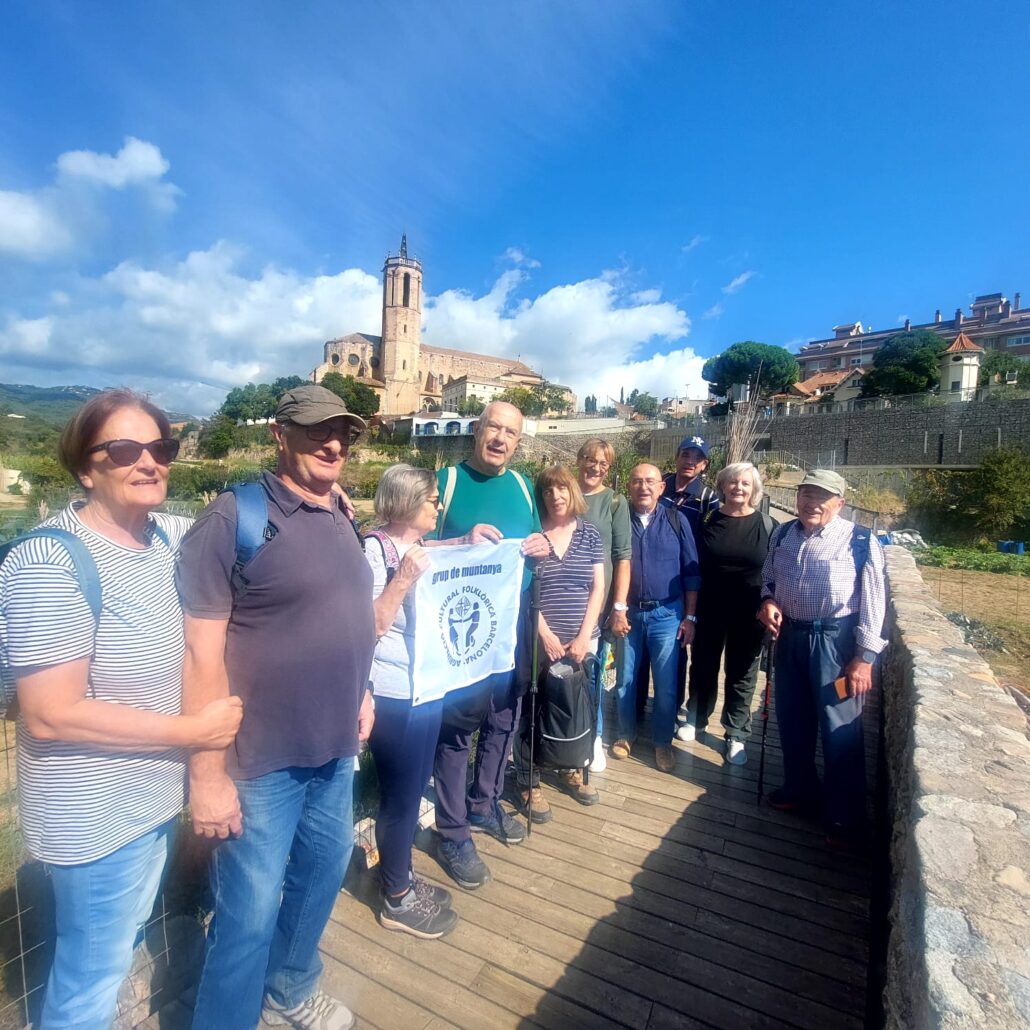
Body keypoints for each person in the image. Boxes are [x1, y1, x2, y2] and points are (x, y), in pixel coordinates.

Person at [0, 389, 243, 1028]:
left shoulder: (167, 539)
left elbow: (254, 537)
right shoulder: (49, 558)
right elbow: (50, 712)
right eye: (125, 450)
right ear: (86, 467)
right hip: (94, 814)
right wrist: (196, 731)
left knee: (115, 947)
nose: (149, 462)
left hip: (151, 800)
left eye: (160, 448)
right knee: (89, 976)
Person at [177, 384, 375, 1030]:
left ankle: (289, 989)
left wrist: (363, 690)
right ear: (279, 435)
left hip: (334, 751)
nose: (333, 442)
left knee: (319, 883)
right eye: (317, 430)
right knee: (247, 918)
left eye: (342, 431)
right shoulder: (233, 520)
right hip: (259, 764)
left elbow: (346, 618)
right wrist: (205, 777)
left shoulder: (342, 513)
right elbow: (200, 656)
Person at [432, 401, 549, 889]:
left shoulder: (522, 485)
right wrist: (461, 542)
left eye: (511, 433)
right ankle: (452, 831)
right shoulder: (444, 481)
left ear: (519, 442)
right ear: (476, 431)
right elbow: (408, 548)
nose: (500, 438)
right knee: (458, 728)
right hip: (464, 623)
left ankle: (484, 804)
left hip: (514, 621)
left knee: (505, 716)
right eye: (493, 428)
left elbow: (537, 540)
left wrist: (541, 545)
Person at [757, 469, 887, 849]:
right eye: (805, 494)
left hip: (836, 643)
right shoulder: (783, 533)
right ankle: (800, 789)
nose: (811, 503)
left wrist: (864, 658)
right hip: (791, 638)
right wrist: (767, 602)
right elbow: (768, 579)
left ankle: (845, 817)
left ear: (840, 503)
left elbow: (874, 604)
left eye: (821, 497)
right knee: (793, 720)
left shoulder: (860, 540)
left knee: (840, 729)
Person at [365, 465, 459, 940]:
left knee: (414, 785)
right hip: (394, 694)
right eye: (432, 498)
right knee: (401, 798)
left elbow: (431, 557)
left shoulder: (414, 548)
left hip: (425, 688)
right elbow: (367, 625)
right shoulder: (374, 551)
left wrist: (468, 542)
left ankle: (398, 875)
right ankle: (395, 897)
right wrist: (402, 578)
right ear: (406, 502)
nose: (438, 505)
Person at [514, 466, 605, 817]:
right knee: (534, 710)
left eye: (562, 488)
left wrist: (584, 636)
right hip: (541, 642)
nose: (556, 496)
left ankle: (571, 766)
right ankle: (529, 781)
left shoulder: (590, 535)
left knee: (577, 709)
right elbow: (522, 591)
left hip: (583, 640)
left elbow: (597, 587)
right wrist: (545, 634)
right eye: (549, 490)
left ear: (573, 492)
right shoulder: (534, 536)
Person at [608, 463, 701, 774]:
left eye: (650, 481)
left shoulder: (677, 519)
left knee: (666, 684)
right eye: (636, 481)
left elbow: (691, 571)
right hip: (629, 612)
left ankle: (662, 742)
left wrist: (690, 616)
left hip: (667, 614)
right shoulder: (619, 519)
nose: (643, 487)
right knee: (624, 680)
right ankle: (625, 734)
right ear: (629, 487)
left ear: (662, 487)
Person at [681, 462, 773, 764]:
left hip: (749, 611)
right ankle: (696, 719)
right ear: (723, 485)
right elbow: (692, 560)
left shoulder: (768, 526)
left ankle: (736, 733)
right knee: (703, 666)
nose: (738, 488)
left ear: (754, 490)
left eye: (745, 483)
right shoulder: (708, 518)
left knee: (742, 673)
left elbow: (776, 571)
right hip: (709, 607)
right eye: (733, 482)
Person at [575, 439, 631, 773]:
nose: (596, 467)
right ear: (579, 460)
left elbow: (622, 556)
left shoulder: (614, 501)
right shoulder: (563, 492)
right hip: (562, 602)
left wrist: (619, 607)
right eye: (590, 460)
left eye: (604, 463)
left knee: (595, 673)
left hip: (597, 606)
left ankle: (594, 737)